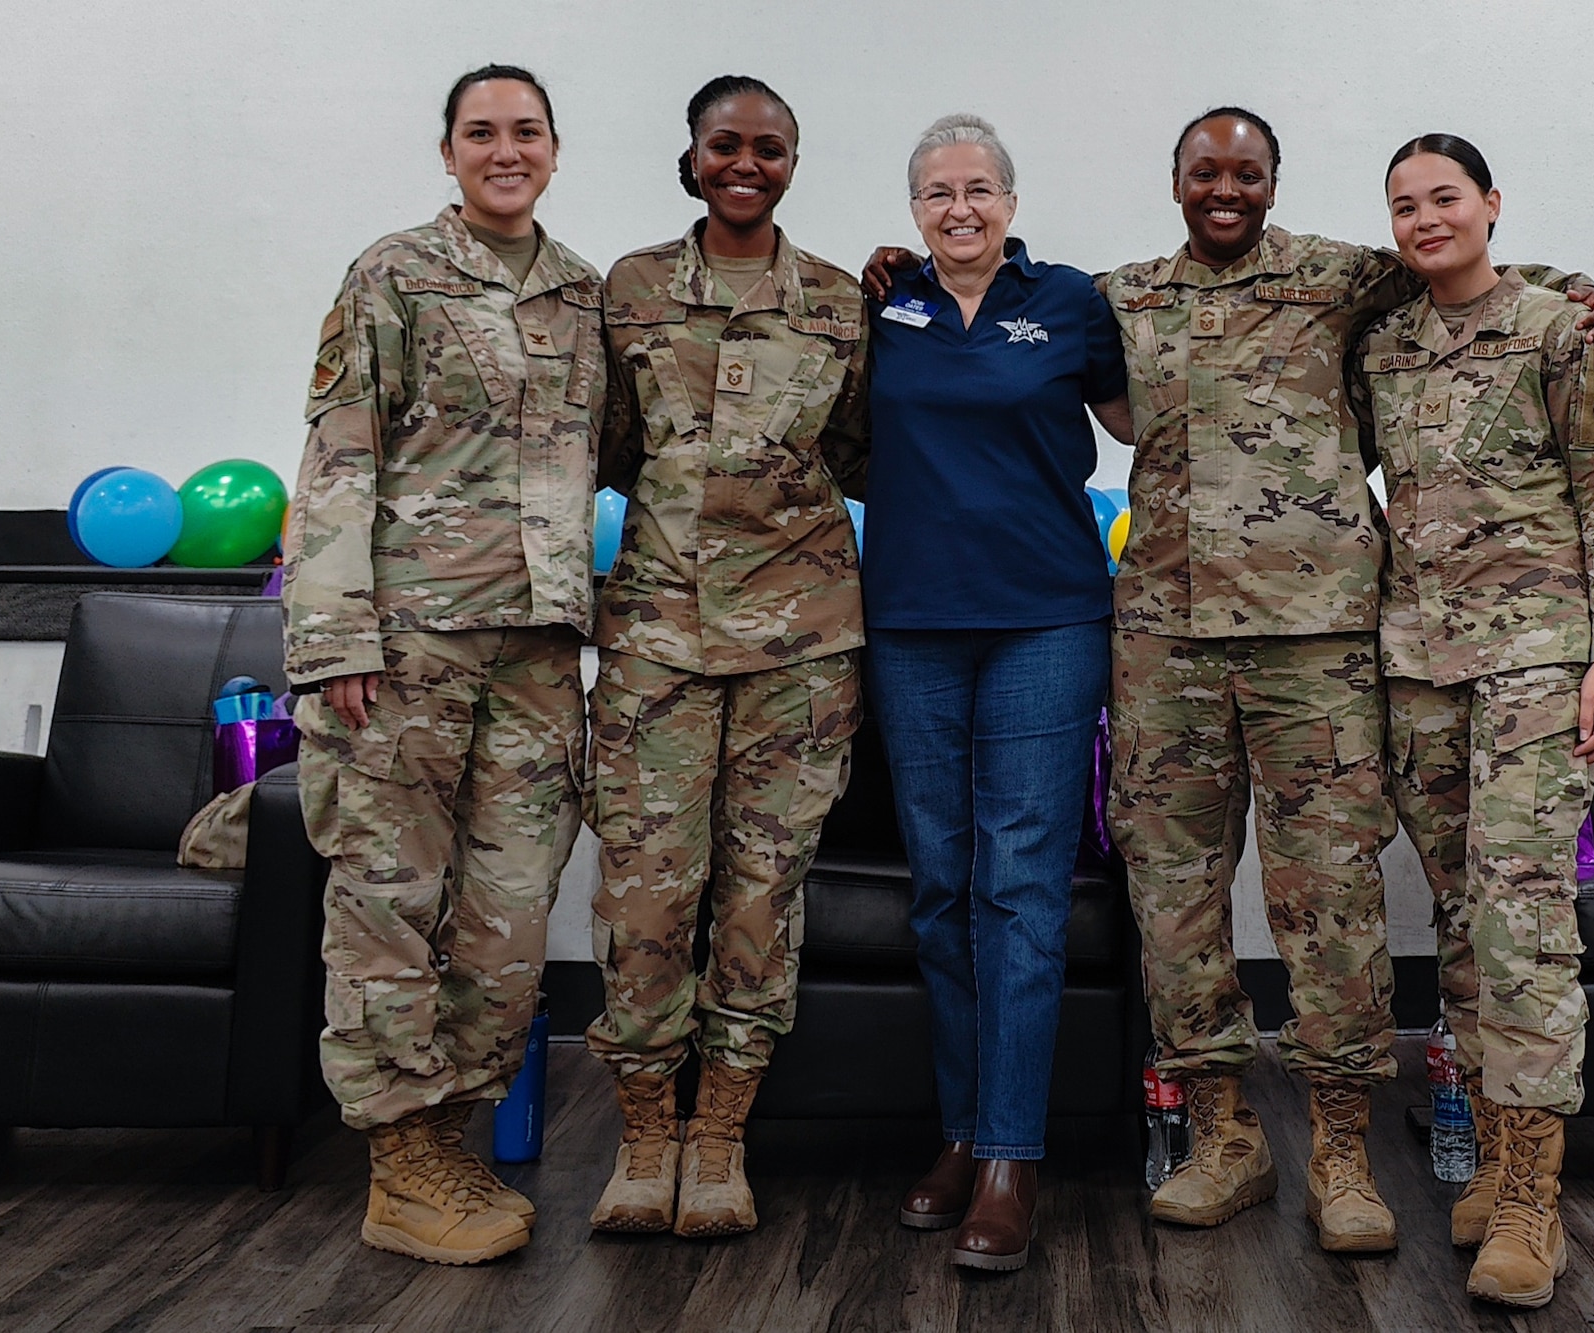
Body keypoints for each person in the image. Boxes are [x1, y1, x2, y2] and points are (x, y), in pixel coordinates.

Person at [1098, 108, 1594, 1251]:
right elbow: (1009, 310)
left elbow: (1469, 283)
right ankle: (1226, 1132)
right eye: (1203, 172)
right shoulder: (1120, 294)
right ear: (1174, 181)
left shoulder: (1343, 280)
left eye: (1246, 172)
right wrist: (900, 266)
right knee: (1171, 893)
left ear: (1274, 183)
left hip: (1317, 642)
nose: (1223, 189)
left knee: (1327, 896)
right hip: (1162, 644)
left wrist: (1571, 291)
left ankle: (1339, 1145)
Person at [283, 64, 605, 1265]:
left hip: (533, 650)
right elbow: (335, 456)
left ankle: (452, 1136)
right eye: (482, 132)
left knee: (510, 912)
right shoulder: (392, 275)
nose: (504, 150)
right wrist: (333, 642)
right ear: (449, 151)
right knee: (388, 901)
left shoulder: (579, 293)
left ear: (555, 150)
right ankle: (400, 1161)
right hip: (406, 642)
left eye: (525, 131)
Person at [1353, 134, 1594, 1308]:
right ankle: (1483, 1154)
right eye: (1402, 206)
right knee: (1463, 908)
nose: (1424, 220)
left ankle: (1532, 1195)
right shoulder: (1380, 343)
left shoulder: (1556, 324)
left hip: (1537, 658)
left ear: (1489, 204)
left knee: (1524, 913)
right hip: (1415, 664)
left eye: (1444, 199)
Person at [583, 75, 868, 1241]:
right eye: (725, 145)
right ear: (690, 158)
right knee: (646, 893)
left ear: (792, 164)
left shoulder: (842, 301)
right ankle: (646, 1129)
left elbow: (857, 454)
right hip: (656, 638)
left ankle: (719, 1136)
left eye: (770, 149)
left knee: (760, 896)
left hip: (800, 648)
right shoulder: (631, 290)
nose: (747, 163)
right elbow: (605, 445)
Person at [858, 114, 1132, 1274]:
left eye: (976, 188)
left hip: (1045, 622)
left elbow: (1151, 424)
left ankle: (1012, 1158)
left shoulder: (1070, 300)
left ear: (1010, 202)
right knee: (937, 888)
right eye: (934, 192)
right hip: (911, 626)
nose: (956, 208)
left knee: (1019, 885)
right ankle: (961, 1132)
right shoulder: (874, 310)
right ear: (912, 209)